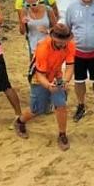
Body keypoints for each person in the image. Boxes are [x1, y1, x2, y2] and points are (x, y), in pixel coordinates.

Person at [16, 22, 75, 151]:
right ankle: (20, 121)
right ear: (53, 38)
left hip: (56, 74)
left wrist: (65, 81)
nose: (62, 44)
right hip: (38, 76)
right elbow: (40, 75)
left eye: (64, 41)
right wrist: (48, 86)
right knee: (37, 109)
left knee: (61, 105)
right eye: (59, 42)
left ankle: (62, 134)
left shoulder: (70, 44)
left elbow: (70, 66)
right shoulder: (43, 47)